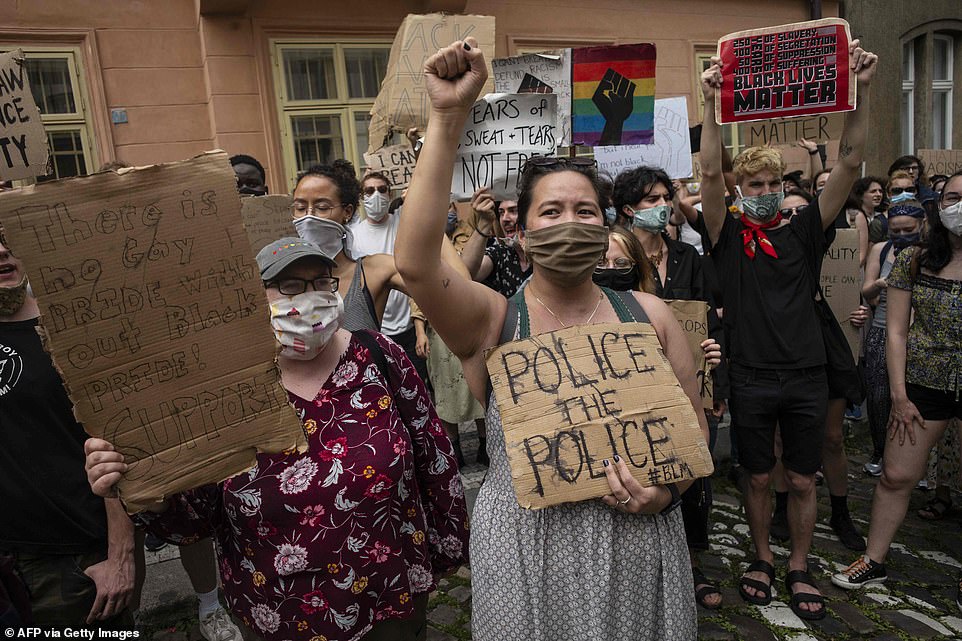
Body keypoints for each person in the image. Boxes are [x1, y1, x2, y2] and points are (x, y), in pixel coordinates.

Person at [395, 37, 710, 640]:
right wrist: (446, 118)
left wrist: (666, 494)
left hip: (635, 538)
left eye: (586, 212)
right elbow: (415, 263)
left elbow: (690, 435)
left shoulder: (651, 316)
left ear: (607, 224)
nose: (570, 223)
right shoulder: (491, 321)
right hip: (525, 541)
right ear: (521, 231)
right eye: (550, 212)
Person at [85, 237, 470, 641]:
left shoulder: (380, 355)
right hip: (277, 613)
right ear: (252, 297)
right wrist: (139, 485)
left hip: (390, 599)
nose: (310, 298)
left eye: (322, 282)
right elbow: (195, 518)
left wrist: (449, 548)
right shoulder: (224, 391)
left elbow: (435, 458)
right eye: (289, 286)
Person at [699, 41, 878, 620]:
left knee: (802, 480)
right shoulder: (726, 236)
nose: (763, 192)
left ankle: (798, 564)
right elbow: (707, 170)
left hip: (806, 374)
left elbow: (849, 161)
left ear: (783, 185)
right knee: (755, 477)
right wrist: (709, 103)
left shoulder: (804, 230)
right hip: (749, 374)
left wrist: (861, 90)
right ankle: (762, 558)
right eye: (752, 186)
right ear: (740, 192)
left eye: (771, 183)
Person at [832, 173, 962, 601]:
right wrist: (900, 394)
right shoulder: (916, 259)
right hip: (924, 381)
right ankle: (874, 559)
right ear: (937, 206)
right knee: (895, 474)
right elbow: (897, 332)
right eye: (953, 197)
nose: (959, 205)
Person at [0, 236, 135, 629]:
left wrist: (119, 558)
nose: (2, 251)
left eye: (8, 237)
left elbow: (118, 444)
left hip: (73, 564)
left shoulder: (70, 330)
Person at [594, 226, 725, 609]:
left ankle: (687, 562)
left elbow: (690, 403)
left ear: (637, 267)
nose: (610, 269)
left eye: (621, 263)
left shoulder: (658, 314)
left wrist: (705, 361)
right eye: (601, 262)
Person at [765, 189, 869, 553]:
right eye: (787, 210)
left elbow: (846, 290)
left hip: (827, 346)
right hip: (785, 348)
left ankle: (840, 511)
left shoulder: (827, 241)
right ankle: (781, 507)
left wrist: (854, 310)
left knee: (832, 437)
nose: (795, 216)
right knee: (780, 438)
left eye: (801, 209)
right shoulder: (768, 246)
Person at [290, 159, 459, 334]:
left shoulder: (374, 270)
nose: (309, 217)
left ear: (347, 212)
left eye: (322, 207)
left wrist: (427, 216)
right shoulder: (282, 278)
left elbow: (456, 294)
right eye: (300, 207)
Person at [860, 200, 926, 478]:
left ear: (922, 225)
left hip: (919, 335)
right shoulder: (881, 249)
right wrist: (882, 284)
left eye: (908, 229)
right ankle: (880, 450)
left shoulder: (931, 254)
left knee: (917, 398)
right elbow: (867, 290)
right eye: (895, 231)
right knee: (878, 396)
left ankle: (918, 460)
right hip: (881, 329)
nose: (901, 236)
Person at [351, 171, 429, 385]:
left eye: (381, 189)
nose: (376, 195)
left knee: (416, 387)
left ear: (390, 193)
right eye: (369, 190)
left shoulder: (403, 224)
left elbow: (425, 188)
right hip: (376, 332)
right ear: (361, 197)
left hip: (409, 328)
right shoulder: (354, 236)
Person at [461, 188, 531, 298]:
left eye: (513, 211)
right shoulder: (501, 254)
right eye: (501, 213)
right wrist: (485, 222)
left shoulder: (548, 255)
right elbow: (464, 274)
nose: (505, 219)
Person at [851, 176, 886, 267]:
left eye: (880, 191)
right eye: (873, 191)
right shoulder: (853, 216)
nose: (878, 194)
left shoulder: (882, 218)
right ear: (861, 195)